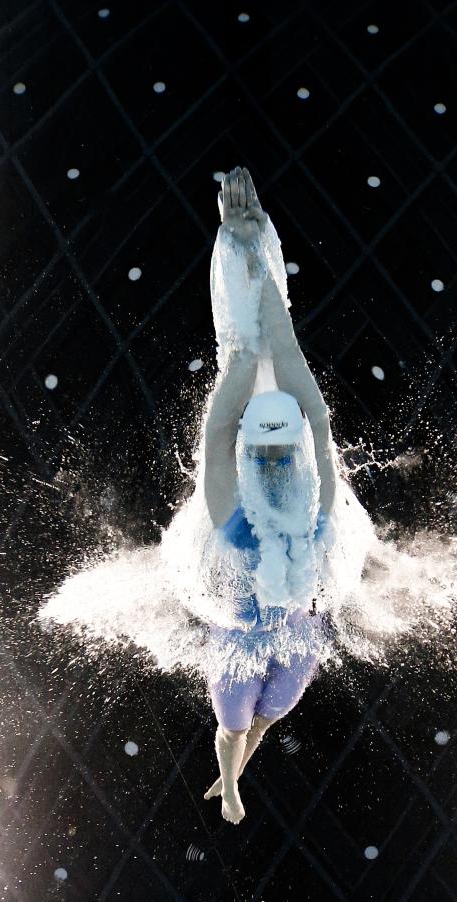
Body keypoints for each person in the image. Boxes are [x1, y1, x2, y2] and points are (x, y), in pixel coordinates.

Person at [201, 167, 338, 824]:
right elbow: (223, 420)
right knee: (235, 723)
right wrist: (242, 250)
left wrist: (253, 251)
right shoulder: (236, 516)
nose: (279, 463)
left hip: (294, 638)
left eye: (284, 453)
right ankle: (230, 785)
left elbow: (285, 353)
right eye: (270, 454)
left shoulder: (317, 511)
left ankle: (232, 774)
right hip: (241, 637)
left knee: (265, 717)